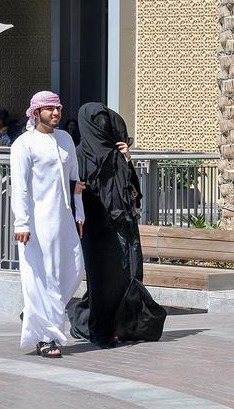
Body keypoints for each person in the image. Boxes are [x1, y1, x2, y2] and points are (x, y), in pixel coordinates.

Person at [68, 103, 166, 348]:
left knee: (125, 278)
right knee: (102, 282)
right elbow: (70, 190)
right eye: (96, 120)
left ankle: (122, 326)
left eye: (105, 118)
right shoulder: (78, 155)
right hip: (95, 230)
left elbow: (132, 191)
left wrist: (127, 160)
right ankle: (98, 329)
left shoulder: (116, 155)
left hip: (123, 229)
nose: (102, 124)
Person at [10, 91, 85, 358]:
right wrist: (22, 223)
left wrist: (80, 216)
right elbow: (19, 188)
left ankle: (36, 313)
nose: (56, 113)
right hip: (36, 223)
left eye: (59, 109)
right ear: (36, 112)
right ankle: (46, 337)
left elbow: (75, 182)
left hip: (64, 218)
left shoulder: (65, 139)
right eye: (50, 109)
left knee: (76, 269)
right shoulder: (23, 144)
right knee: (45, 278)